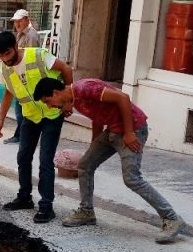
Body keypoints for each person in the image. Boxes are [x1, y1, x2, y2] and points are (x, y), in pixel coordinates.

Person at [34, 78, 185, 243]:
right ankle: (86, 212)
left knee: (132, 179)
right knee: (85, 165)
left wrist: (129, 133)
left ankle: (171, 218)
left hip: (133, 129)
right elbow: (97, 116)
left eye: (48, 101)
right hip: (113, 131)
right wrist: (94, 145)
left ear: (56, 93)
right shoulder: (75, 100)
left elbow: (123, 98)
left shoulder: (84, 88)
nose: (49, 106)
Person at [0, 31, 73, 223]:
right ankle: (24, 197)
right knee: (23, 157)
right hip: (30, 116)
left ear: (15, 46)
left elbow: (66, 69)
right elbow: (9, 94)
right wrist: (0, 119)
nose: (5, 59)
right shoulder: (6, 69)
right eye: (1, 56)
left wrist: (69, 101)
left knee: (45, 160)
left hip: (52, 114)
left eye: (7, 54)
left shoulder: (38, 55)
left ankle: (46, 206)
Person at [3, 9, 41, 145]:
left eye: (20, 21)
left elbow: (30, 58)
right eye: (15, 22)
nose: (17, 24)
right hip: (19, 77)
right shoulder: (21, 34)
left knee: (22, 110)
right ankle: (21, 135)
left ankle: (23, 136)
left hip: (26, 78)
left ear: (26, 19)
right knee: (20, 110)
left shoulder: (31, 35)